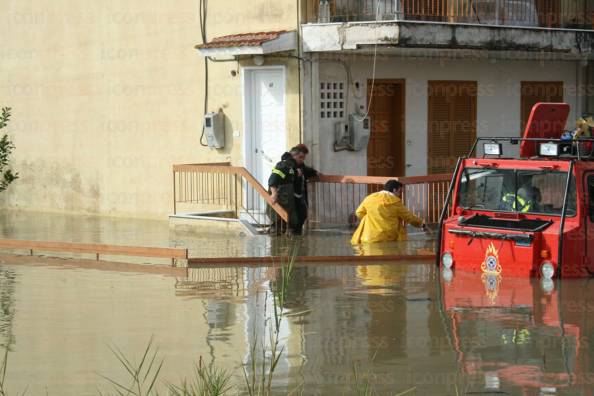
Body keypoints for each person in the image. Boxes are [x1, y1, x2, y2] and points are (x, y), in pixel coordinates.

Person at [351, 180, 426, 245]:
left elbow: (359, 212)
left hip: (368, 237)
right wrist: (421, 224)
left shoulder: (370, 198)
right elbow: (409, 217)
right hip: (388, 238)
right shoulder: (395, 202)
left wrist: (371, 220)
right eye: (399, 192)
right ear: (394, 190)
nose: (399, 195)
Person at [290, 144, 320, 235]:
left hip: (299, 196)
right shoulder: (287, 165)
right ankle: (293, 234)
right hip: (291, 197)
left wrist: (315, 172)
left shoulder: (301, 166)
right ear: (293, 155)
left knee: (302, 215)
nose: (302, 160)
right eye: (300, 157)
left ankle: (297, 236)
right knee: (294, 217)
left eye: (303, 158)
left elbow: (307, 170)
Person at [268, 152, 298, 235]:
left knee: (282, 216)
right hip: (281, 195)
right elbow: (272, 179)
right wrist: (274, 193)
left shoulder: (289, 167)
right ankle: (276, 232)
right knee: (279, 216)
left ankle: (278, 233)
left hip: (285, 196)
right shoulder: (284, 165)